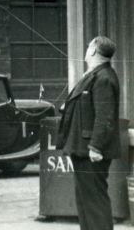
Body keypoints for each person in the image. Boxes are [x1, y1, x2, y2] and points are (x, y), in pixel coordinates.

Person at [57, 36, 121, 230]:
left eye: (89, 46)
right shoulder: (95, 74)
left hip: (91, 152)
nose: (86, 50)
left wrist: (95, 147)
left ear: (93, 51)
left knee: (95, 204)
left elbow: (105, 116)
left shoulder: (103, 78)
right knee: (86, 204)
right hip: (83, 150)